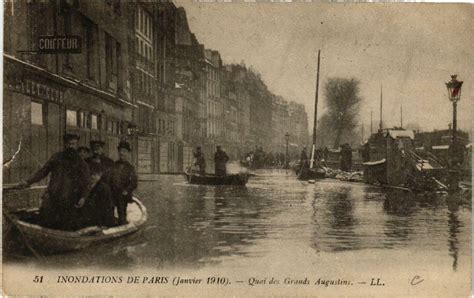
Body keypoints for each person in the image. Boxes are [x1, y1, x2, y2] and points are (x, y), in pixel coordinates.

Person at [18, 133, 90, 230]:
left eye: (73, 144)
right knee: (47, 223)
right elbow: (43, 172)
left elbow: (86, 182)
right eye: (69, 144)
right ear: (64, 144)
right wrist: (27, 182)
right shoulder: (56, 158)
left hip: (70, 200)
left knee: (66, 226)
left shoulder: (81, 163)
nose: (71, 146)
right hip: (53, 197)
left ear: (77, 145)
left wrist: (83, 197)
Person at [107, 141, 138, 225]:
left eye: (124, 151)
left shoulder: (130, 168)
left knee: (121, 210)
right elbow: (109, 179)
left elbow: (134, 183)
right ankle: (111, 226)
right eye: (120, 151)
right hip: (113, 193)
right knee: (109, 209)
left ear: (128, 153)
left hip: (123, 194)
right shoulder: (113, 165)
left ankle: (122, 225)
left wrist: (127, 190)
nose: (121, 153)